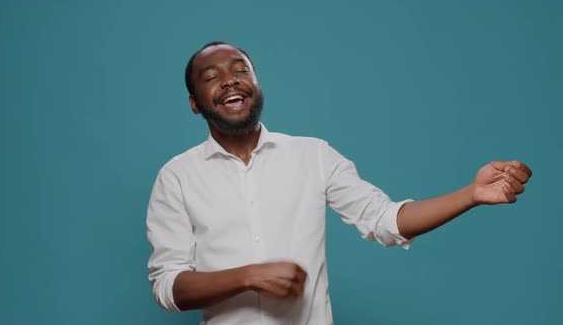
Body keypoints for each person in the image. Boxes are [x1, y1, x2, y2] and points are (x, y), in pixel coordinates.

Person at [146, 41, 532, 324]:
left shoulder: (312, 155)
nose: (231, 82)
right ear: (196, 102)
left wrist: (471, 194)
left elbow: (383, 219)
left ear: (258, 84)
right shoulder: (177, 177)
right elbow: (169, 287)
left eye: (241, 70)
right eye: (212, 78)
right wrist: (249, 276)